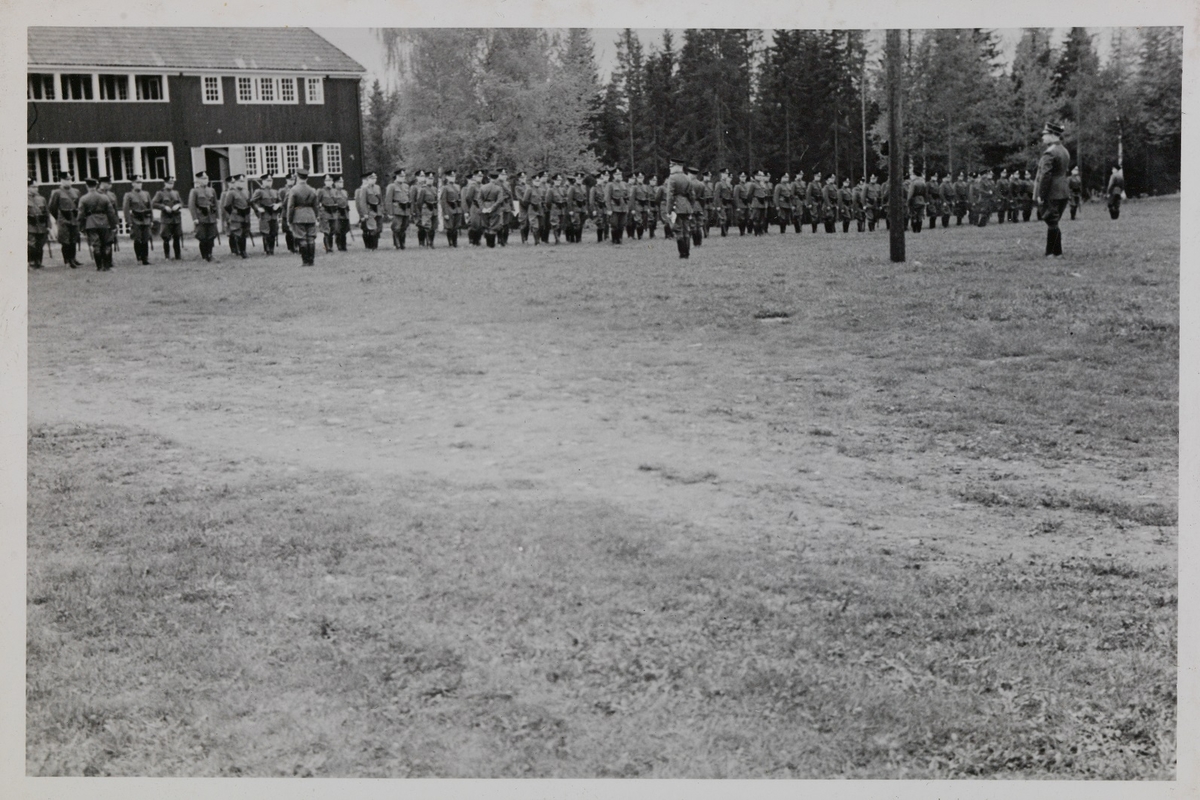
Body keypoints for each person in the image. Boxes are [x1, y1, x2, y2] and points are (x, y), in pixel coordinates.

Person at [1034, 121, 1071, 256]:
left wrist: (1041, 195)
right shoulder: (1064, 150)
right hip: (1063, 190)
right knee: (1053, 221)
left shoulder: (1050, 153)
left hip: (1052, 191)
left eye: (1045, 134)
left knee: (1051, 221)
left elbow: (1045, 176)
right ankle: (1052, 252)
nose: (1043, 138)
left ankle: (1054, 252)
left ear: (1053, 136)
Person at [79, 176, 119, 270]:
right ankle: (107, 265)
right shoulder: (104, 197)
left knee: (96, 245)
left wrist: (81, 227)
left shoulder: (84, 198)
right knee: (106, 244)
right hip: (104, 222)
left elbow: (80, 214)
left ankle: (99, 266)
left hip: (91, 223)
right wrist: (113, 225)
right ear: (96, 185)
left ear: (87, 186)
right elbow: (111, 212)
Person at [284, 167, 319, 266]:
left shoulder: (294, 190)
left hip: (298, 215)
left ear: (297, 177)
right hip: (310, 215)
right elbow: (316, 205)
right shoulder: (312, 189)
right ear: (307, 178)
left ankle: (305, 261)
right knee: (311, 238)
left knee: (302, 238)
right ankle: (311, 261)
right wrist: (316, 216)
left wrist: (289, 219)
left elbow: (290, 206)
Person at [48, 172, 84, 268]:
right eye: (67, 179)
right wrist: (59, 217)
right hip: (63, 219)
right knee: (65, 241)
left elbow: (79, 205)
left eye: (70, 179)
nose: (69, 181)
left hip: (74, 218)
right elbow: (52, 207)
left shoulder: (76, 191)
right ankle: (67, 260)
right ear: (62, 180)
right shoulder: (57, 192)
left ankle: (73, 258)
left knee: (74, 239)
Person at [664, 158, 695, 259]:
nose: (670, 168)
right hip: (686, 206)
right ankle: (687, 252)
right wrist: (691, 206)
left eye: (672, 166)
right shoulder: (687, 178)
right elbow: (692, 195)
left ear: (677, 166)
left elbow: (670, 196)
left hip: (676, 206)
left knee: (678, 230)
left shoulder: (672, 178)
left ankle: (682, 253)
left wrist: (668, 210)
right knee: (686, 230)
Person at [188, 170, 220, 262]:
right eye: (203, 178)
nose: (205, 180)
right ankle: (204, 256)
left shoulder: (211, 190)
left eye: (206, 178)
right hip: (201, 217)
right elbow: (191, 205)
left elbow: (215, 204)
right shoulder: (194, 191)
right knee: (202, 237)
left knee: (212, 236)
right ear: (198, 180)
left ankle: (210, 254)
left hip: (211, 217)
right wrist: (194, 218)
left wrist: (217, 216)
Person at [122, 175, 154, 264]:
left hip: (146, 219)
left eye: (141, 183)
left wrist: (151, 219)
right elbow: (126, 209)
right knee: (137, 239)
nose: (139, 185)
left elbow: (150, 207)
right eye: (137, 183)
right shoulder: (128, 195)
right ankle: (139, 258)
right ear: (132, 184)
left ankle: (145, 258)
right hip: (136, 220)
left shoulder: (146, 194)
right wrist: (129, 222)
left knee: (146, 238)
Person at [153, 176, 185, 260]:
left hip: (176, 218)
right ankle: (167, 256)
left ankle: (178, 256)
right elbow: (153, 203)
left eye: (172, 183)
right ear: (165, 183)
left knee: (177, 237)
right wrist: (164, 207)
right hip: (166, 219)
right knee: (166, 237)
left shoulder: (176, 193)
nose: (171, 185)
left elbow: (181, 203)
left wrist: (178, 205)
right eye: (169, 183)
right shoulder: (160, 193)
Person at [221, 173, 252, 258]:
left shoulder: (246, 191)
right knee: (238, 234)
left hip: (245, 216)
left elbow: (248, 202)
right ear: (236, 182)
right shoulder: (231, 192)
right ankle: (241, 252)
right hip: (236, 216)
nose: (241, 183)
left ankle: (243, 250)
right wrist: (233, 213)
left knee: (244, 233)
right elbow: (226, 205)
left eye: (243, 181)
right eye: (240, 181)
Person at [251, 173, 282, 255]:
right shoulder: (259, 191)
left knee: (273, 232)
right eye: (268, 181)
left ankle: (272, 250)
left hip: (274, 215)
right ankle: (267, 250)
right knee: (266, 232)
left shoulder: (275, 191)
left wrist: (278, 205)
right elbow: (252, 201)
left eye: (271, 180)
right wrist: (258, 208)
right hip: (265, 214)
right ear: (263, 181)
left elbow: (280, 201)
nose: (269, 182)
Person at [356, 170, 383, 250]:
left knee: (378, 228)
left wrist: (382, 209)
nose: (374, 180)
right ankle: (372, 247)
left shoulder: (377, 187)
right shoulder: (364, 188)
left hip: (377, 210)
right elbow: (362, 202)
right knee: (372, 228)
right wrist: (365, 213)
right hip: (370, 210)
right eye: (372, 178)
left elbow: (380, 200)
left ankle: (375, 246)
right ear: (368, 179)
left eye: (375, 178)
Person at [28, 176, 50, 269]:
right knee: (31, 244)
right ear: (27, 187)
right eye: (33, 187)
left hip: (41, 225)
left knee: (40, 244)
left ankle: (39, 262)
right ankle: (32, 262)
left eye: (37, 186)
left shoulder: (41, 199)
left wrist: (48, 225)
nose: (36, 188)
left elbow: (47, 212)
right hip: (30, 225)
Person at [605, 168, 630, 245]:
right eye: (617, 174)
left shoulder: (625, 184)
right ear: (613, 175)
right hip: (614, 207)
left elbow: (628, 196)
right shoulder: (610, 185)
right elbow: (607, 197)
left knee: (622, 224)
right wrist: (609, 209)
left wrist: (627, 206)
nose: (619, 176)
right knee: (614, 224)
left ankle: (620, 239)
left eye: (620, 174)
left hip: (623, 207)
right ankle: (614, 240)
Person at [439, 169, 462, 247]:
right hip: (449, 209)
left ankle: (455, 243)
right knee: (450, 227)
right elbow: (443, 201)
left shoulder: (457, 187)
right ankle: (451, 243)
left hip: (457, 209)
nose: (453, 178)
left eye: (454, 176)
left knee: (456, 227)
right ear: (447, 177)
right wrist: (445, 213)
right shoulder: (445, 188)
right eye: (451, 176)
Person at [568, 173, 589, 243]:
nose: (579, 179)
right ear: (575, 178)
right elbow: (569, 199)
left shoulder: (583, 187)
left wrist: (586, 209)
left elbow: (585, 199)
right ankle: (573, 238)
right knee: (576, 223)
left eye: (581, 178)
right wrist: (570, 210)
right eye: (578, 178)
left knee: (581, 224)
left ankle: (579, 239)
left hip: (582, 207)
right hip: (575, 207)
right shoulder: (572, 187)